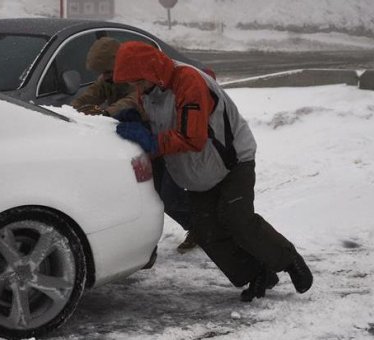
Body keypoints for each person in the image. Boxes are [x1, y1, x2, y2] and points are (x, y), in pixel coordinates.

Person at [112, 41, 313, 301]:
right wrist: (138, 120)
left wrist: (152, 141)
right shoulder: (148, 90)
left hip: (231, 161)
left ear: (151, 71)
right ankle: (257, 274)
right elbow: (160, 122)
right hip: (198, 172)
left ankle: (289, 260)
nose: (136, 88)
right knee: (206, 230)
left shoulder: (188, 81)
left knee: (236, 218)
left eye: (138, 81)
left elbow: (192, 137)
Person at [73, 37, 198, 252]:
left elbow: (132, 101)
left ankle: (203, 229)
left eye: (107, 71)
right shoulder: (108, 80)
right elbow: (90, 95)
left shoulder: (136, 79)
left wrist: (106, 112)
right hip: (148, 146)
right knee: (157, 194)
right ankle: (198, 227)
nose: (103, 77)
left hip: (165, 141)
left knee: (170, 196)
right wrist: (73, 112)